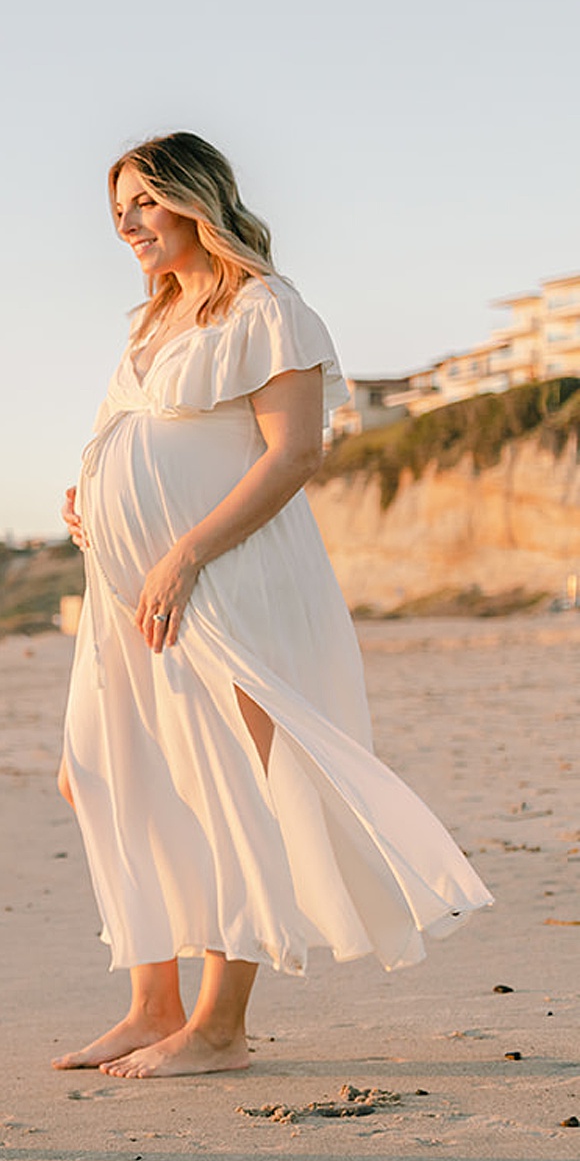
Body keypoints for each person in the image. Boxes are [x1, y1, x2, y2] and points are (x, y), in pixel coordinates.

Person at [53, 132, 492, 1079]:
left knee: (223, 784)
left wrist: (185, 551)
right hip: (126, 586)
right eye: (116, 210)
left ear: (194, 198)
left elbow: (294, 453)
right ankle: (151, 1003)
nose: (127, 223)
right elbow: (130, 431)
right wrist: (88, 491)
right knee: (105, 769)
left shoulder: (267, 308)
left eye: (143, 202)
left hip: (220, 578)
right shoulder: (151, 320)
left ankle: (219, 1026)